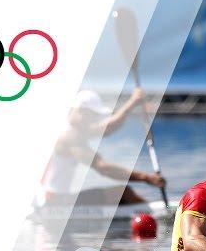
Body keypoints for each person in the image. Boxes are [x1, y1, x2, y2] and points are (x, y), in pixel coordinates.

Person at [36, 88, 165, 208]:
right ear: (82, 111)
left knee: (123, 194)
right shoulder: (68, 136)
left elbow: (108, 129)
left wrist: (132, 103)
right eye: (93, 116)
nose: (95, 120)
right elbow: (104, 168)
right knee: (124, 193)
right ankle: (157, 216)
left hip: (49, 198)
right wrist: (146, 178)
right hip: (53, 202)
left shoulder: (71, 127)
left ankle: (144, 212)